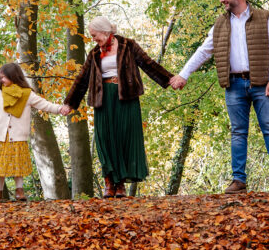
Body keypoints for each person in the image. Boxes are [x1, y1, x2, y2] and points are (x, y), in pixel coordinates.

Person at [172, 0, 269, 195]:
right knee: (238, 132)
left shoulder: (264, 17)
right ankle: (239, 180)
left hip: (261, 83)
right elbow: (204, 51)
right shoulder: (221, 23)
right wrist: (184, 74)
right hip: (233, 85)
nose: (221, 0)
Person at [64, 16, 182, 198]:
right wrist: (70, 103)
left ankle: (120, 185)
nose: (93, 38)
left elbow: (148, 64)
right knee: (105, 139)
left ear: (105, 31)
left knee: (124, 137)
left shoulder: (129, 45)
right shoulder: (94, 53)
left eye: (94, 35)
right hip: (103, 99)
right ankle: (109, 181)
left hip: (126, 97)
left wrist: (170, 79)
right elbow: (82, 78)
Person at [0, 62, 71, 201]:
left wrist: (60, 109)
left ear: (14, 76)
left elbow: (44, 104)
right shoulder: (0, 94)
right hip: (2, 137)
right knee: (1, 167)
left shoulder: (27, 94)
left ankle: (19, 191)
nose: (1, 80)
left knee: (18, 166)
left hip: (18, 136)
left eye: (4, 77)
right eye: (0, 77)